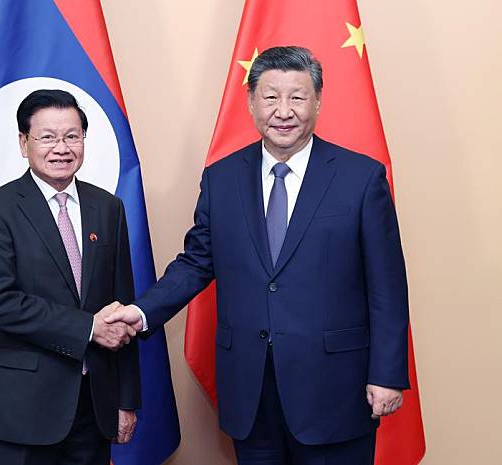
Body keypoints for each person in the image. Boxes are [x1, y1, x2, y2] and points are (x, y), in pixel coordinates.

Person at [105, 46, 410, 465]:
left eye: (297, 97)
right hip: (250, 390)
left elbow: (387, 287)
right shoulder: (221, 178)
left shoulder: (362, 178)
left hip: (335, 389)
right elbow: (196, 261)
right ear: (251, 103)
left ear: (318, 101)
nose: (283, 111)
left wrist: (387, 374)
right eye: (270, 97)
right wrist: (141, 313)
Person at [0, 89, 140, 465]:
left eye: (72, 136)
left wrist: (126, 399)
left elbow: (122, 306)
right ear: (23, 142)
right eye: (47, 137)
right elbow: (1, 303)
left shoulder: (107, 207)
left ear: (83, 140)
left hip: (92, 406)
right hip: (20, 409)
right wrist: (88, 328)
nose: (61, 147)